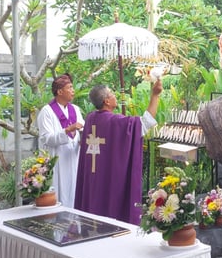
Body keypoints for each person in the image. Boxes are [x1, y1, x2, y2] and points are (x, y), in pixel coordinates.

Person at [74, 79, 162, 224]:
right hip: (109, 179)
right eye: (112, 94)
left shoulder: (90, 118)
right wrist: (155, 95)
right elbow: (145, 123)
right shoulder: (115, 122)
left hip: (93, 178)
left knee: (93, 215)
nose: (115, 96)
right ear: (107, 101)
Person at [37, 74, 84, 207]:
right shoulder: (47, 112)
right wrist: (67, 130)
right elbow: (46, 138)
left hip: (74, 159)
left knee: (75, 193)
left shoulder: (75, 109)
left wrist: (82, 138)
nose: (73, 90)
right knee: (60, 194)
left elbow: (82, 129)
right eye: (70, 87)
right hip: (58, 160)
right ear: (60, 91)